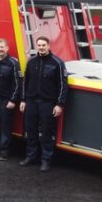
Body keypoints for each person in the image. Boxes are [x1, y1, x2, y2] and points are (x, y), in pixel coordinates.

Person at [19, 36, 68, 172]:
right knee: (31, 131)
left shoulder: (57, 63)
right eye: (39, 45)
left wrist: (60, 104)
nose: (41, 47)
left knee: (46, 133)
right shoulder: (31, 62)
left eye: (43, 45)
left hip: (47, 103)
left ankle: (46, 160)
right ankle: (31, 157)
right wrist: (23, 100)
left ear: (48, 46)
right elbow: (25, 82)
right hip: (31, 102)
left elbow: (63, 86)